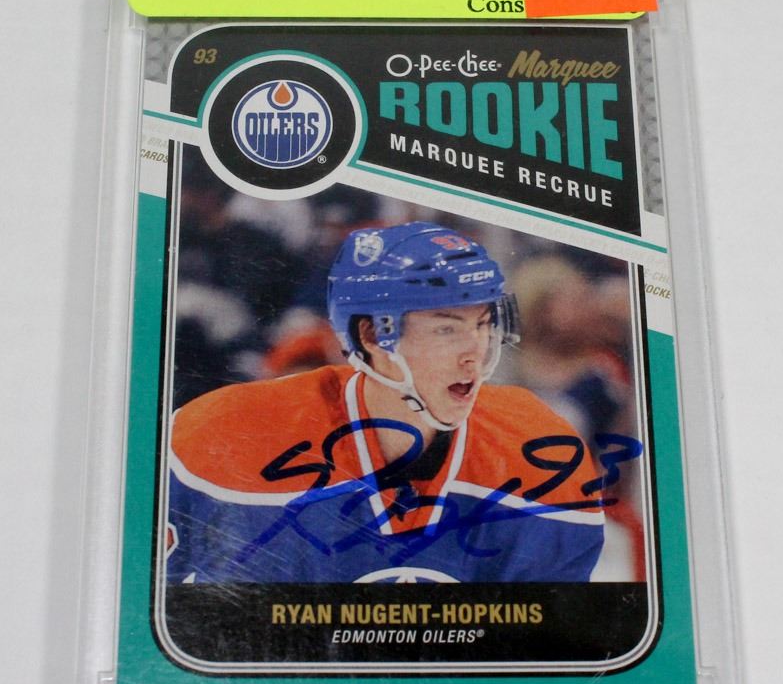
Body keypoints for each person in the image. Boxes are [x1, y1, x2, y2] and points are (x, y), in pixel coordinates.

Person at [167, 222, 607, 584]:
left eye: (483, 325)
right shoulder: (225, 433)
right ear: (373, 336)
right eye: (447, 329)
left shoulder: (541, 450)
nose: (474, 352)